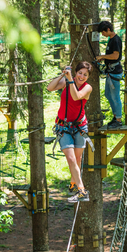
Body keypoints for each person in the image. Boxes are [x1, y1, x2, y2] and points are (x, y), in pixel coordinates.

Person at [47, 61, 93, 203]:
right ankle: (81, 190)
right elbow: (50, 87)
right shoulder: (67, 82)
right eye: (80, 73)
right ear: (76, 72)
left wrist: (70, 79)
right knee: (71, 158)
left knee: (78, 159)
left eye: (85, 75)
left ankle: (73, 183)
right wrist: (63, 75)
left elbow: (76, 96)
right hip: (64, 127)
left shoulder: (87, 88)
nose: (82, 76)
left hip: (79, 127)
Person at [96, 20, 123, 129]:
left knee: (115, 96)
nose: (102, 34)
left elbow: (115, 56)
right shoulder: (110, 39)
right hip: (110, 72)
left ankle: (119, 120)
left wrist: (102, 56)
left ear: (108, 29)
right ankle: (116, 116)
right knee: (108, 94)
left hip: (114, 73)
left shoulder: (116, 40)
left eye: (103, 32)